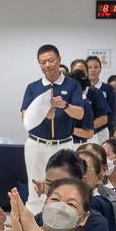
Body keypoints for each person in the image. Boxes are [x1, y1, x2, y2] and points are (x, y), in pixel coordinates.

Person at [22, 44, 84, 214]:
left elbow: (79, 114)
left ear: (59, 60)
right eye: (43, 62)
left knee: (64, 187)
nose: (47, 65)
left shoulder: (72, 86)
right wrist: (41, 115)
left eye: (50, 60)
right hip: (36, 144)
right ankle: (33, 227)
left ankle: (61, 224)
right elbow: (24, 117)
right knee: (35, 189)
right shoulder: (33, 87)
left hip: (63, 144)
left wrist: (64, 105)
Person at [87, 56, 116, 144]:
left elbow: (111, 112)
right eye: (89, 67)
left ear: (100, 69)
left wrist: (95, 128)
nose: (93, 70)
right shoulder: (80, 88)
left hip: (102, 130)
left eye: (96, 67)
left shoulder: (108, 88)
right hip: (83, 130)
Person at [65, 70, 95, 146]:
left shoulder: (85, 104)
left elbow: (89, 133)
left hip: (76, 145)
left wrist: (67, 129)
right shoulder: (67, 102)